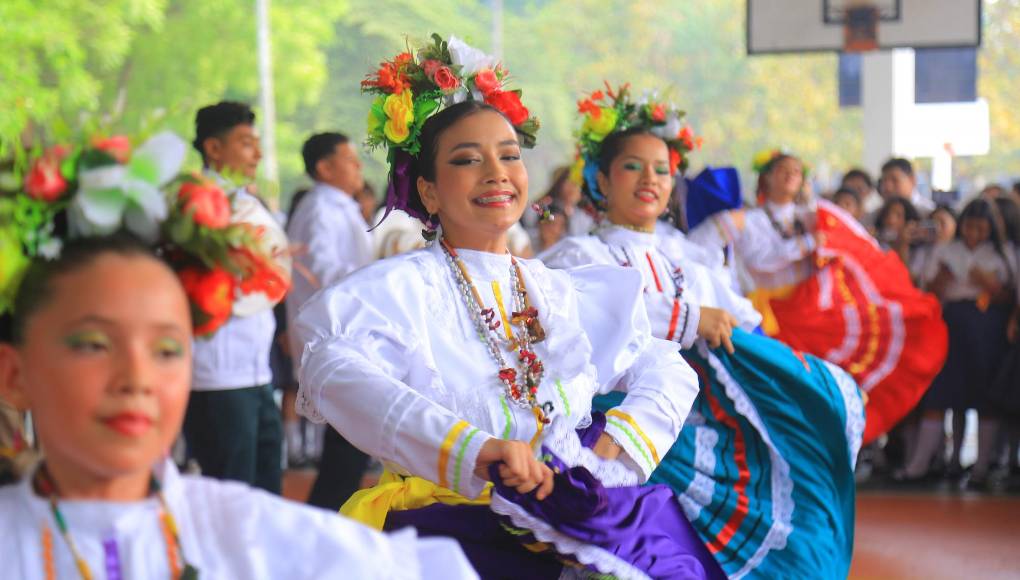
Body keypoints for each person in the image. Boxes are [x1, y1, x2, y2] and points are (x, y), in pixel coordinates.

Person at [294, 36, 723, 579]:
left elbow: (664, 364)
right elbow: (330, 366)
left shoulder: (558, 289)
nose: (496, 173)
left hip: (569, 519)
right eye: (467, 160)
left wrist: (612, 451)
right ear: (428, 192)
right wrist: (474, 449)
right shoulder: (399, 289)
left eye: (510, 155)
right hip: (451, 533)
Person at [0, 137, 476, 579]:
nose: (137, 379)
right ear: (14, 374)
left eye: (166, 349)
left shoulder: (253, 535)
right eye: (94, 345)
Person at [541, 85, 863, 578]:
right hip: (617, 426)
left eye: (662, 170)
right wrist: (691, 319)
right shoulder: (579, 256)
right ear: (601, 179)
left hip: (702, 422)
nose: (650, 178)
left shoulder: (690, 262)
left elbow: (745, 330)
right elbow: (580, 313)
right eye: (633, 166)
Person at [687, 150, 948, 445]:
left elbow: (859, 242)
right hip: (765, 317)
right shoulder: (747, 219)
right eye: (783, 170)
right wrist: (805, 244)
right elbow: (725, 252)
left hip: (812, 315)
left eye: (797, 172)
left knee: (819, 384)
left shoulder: (815, 215)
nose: (790, 176)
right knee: (775, 389)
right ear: (766, 177)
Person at [184, 101, 290, 493]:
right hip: (217, 374)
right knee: (231, 498)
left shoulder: (246, 202)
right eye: (245, 143)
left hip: (256, 373)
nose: (257, 154)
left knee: (266, 496)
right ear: (213, 148)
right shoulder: (192, 203)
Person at [900, 198, 1016, 489]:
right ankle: (921, 464)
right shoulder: (948, 249)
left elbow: (1008, 296)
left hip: (988, 324)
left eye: (980, 228)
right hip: (952, 320)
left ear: (991, 229)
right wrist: (943, 278)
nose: (973, 233)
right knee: (944, 393)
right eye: (969, 226)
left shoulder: (1003, 254)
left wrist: (989, 284)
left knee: (984, 394)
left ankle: (981, 466)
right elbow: (929, 288)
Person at [286, 131, 373, 510]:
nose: (358, 168)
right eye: (349, 160)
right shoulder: (321, 207)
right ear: (324, 167)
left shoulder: (339, 205)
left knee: (350, 446)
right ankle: (329, 520)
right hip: (331, 334)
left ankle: (337, 517)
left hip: (344, 331)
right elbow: (320, 267)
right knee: (345, 448)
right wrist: (377, 274)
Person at [874, 197, 922, 266]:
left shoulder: (916, 249)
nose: (891, 221)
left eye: (898, 216)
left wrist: (903, 245)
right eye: (887, 215)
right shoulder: (877, 242)